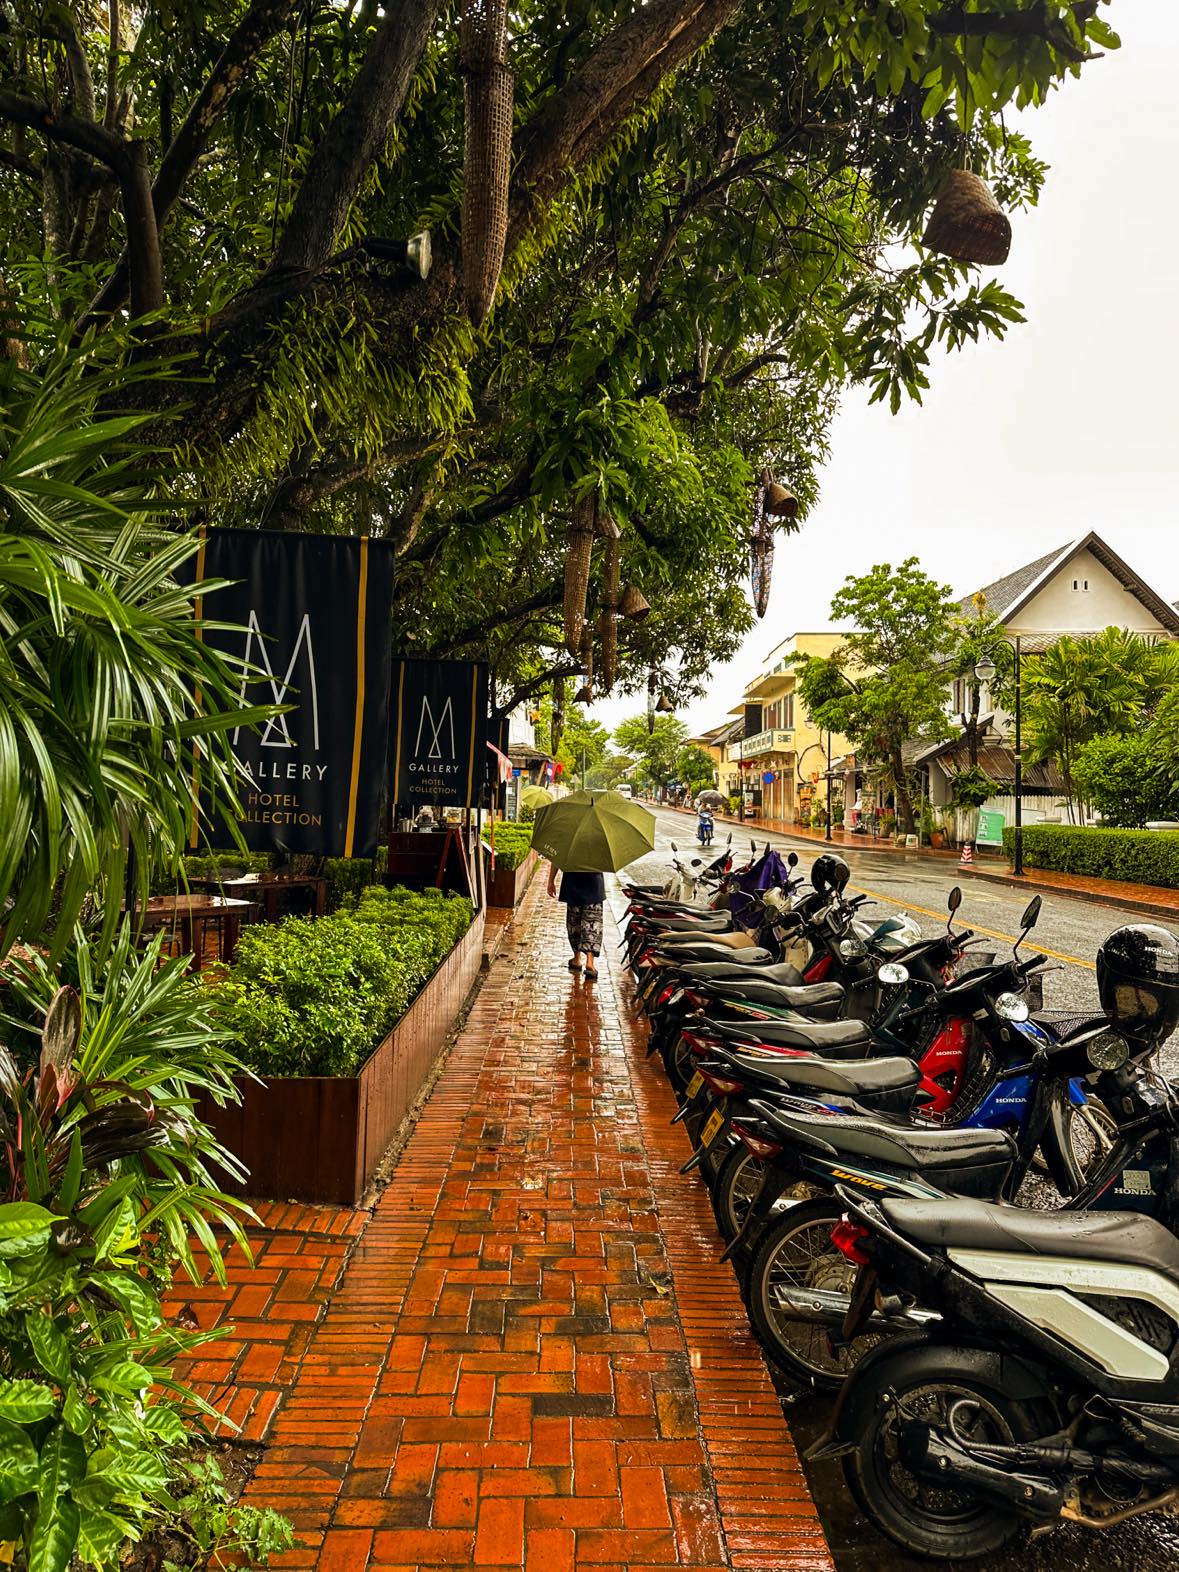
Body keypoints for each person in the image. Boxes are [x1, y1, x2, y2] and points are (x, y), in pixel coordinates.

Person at [546, 862, 605, 980]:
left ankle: (577, 959)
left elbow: (557, 859)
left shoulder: (569, 848)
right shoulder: (599, 849)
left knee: (574, 922)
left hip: (573, 882)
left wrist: (551, 881)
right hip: (594, 883)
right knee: (592, 924)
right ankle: (590, 962)